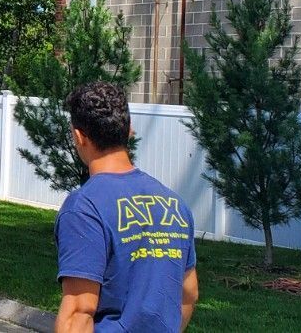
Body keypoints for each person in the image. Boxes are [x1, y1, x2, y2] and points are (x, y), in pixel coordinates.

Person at [55, 82, 198, 332]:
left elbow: (79, 312)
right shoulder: (174, 204)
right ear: (129, 131)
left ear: (78, 137)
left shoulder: (84, 208)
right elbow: (189, 294)